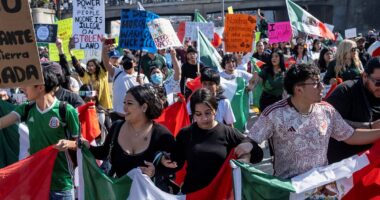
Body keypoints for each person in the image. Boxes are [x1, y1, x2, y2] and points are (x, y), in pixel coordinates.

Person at [248, 63, 380, 179]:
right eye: (316, 83)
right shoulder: (274, 113)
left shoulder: (327, 110)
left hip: (321, 186)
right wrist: (246, 150)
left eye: (321, 81)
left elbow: (351, 135)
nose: (322, 86)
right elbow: (251, 139)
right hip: (289, 189)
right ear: (299, 89)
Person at [0, 64, 80, 199]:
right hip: (37, 181)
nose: (23, 88)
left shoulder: (66, 110)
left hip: (62, 184)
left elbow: (80, 143)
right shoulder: (27, 108)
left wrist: (68, 143)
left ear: (41, 87)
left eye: (28, 85)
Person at [161, 88, 263, 194]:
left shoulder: (228, 133)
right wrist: (163, 161)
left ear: (215, 109)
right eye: (198, 114)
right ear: (193, 114)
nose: (204, 118)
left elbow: (258, 155)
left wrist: (249, 148)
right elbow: (176, 162)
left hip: (221, 194)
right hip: (193, 194)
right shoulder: (185, 134)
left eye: (208, 113)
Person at [82, 85, 175, 190]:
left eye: (129, 103)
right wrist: (87, 147)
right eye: (124, 103)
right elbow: (104, 152)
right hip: (121, 194)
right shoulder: (116, 127)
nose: (124, 108)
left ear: (144, 107)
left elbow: (176, 165)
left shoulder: (162, 135)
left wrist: (156, 171)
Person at [327, 57, 380, 163]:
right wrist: (370, 126)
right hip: (347, 164)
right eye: (378, 83)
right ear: (365, 76)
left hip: (372, 160)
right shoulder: (345, 91)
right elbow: (329, 123)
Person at [102, 42, 149, 121]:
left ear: (135, 63)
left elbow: (148, 95)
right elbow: (106, 63)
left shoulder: (142, 77)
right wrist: (104, 50)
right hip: (118, 117)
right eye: (124, 60)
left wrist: (141, 84)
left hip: (135, 118)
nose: (126, 62)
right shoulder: (117, 73)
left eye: (129, 60)